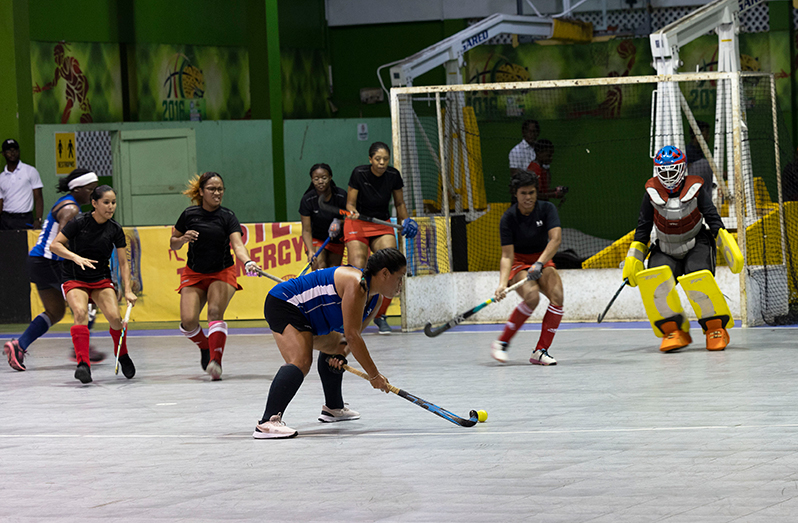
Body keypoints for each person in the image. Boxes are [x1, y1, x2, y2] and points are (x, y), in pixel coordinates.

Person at [253, 248, 405, 439]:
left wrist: (340, 355)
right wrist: (374, 376)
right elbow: (353, 337)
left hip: (307, 317)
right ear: (384, 273)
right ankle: (267, 422)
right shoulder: (355, 283)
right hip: (285, 303)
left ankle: (333, 408)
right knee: (300, 360)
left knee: (336, 346)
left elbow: (349, 336)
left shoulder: (375, 300)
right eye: (399, 277)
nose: (401, 284)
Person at [622, 145, 740, 352]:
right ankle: (673, 330)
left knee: (699, 279)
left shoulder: (696, 188)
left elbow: (712, 217)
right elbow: (643, 228)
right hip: (666, 247)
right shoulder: (650, 193)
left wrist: (726, 244)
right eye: (663, 172)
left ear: (682, 169)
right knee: (655, 284)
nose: (668, 176)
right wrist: (634, 259)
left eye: (672, 171)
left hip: (697, 242)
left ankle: (715, 328)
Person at [3, 169, 101, 371]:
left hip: (38, 261)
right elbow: (61, 243)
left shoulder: (66, 203)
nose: (94, 194)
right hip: (51, 262)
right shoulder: (70, 210)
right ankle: (81, 348)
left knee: (55, 311)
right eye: (91, 189)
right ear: (78, 189)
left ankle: (18, 346)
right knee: (90, 299)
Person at [170, 172, 262, 381]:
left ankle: (216, 362)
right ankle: (205, 346)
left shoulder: (228, 217)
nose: (217, 193)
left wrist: (247, 261)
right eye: (212, 189)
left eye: (220, 189)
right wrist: (183, 238)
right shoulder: (189, 214)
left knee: (214, 311)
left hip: (222, 271)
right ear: (201, 192)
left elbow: (238, 246)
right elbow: (173, 243)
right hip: (194, 273)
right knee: (188, 321)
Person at [49, 185, 137, 384]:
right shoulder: (78, 223)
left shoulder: (115, 229)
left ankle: (122, 355)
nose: (110, 206)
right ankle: (83, 365)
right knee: (80, 313)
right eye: (106, 202)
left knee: (115, 318)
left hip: (100, 279)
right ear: (94, 203)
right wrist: (75, 257)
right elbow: (55, 245)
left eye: (113, 202)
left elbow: (123, 262)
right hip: (74, 277)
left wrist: (128, 290)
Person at [490, 170, 564, 366]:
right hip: (519, 262)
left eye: (531, 193)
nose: (528, 198)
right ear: (516, 193)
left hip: (543, 258)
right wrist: (501, 284)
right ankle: (502, 342)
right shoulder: (508, 218)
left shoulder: (547, 209)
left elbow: (555, 240)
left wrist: (540, 263)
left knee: (557, 296)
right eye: (523, 193)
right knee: (532, 297)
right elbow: (507, 256)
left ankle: (540, 351)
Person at [345, 142, 417, 334]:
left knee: (392, 266)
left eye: (385, 159)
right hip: (358, 222)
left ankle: (380, 315)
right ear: (370, 159)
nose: (382, 162)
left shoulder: (393, 175)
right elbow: (350, 204)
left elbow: (400, 203)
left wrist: (406, 221)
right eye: (378, 159)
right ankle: (354, 315)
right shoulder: (359, 174)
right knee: (357, 269)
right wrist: (352, 212)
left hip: (381, 223)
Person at [299, 163, 347, 271]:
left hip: (336, 239)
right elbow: (306, 230)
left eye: (324, 178)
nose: (320, 181)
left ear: (330, 177)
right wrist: (310, 251)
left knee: (333, 272)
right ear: (312, 180)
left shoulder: (341, 195)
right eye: (316, 179)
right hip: (316, 238)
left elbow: (351, 218)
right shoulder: (307, 200)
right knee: (319, 267)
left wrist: (339, 222)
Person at [0, 139, 44, 230]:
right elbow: (1, 201)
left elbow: (38, 198)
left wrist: (38, 219)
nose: (12, 153)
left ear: (19, 152)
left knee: (24, 244)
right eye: (8, 150)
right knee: (6, 244)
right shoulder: (1, 177)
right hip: (5, 219)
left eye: (15, 150)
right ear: (3, 154)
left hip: (24, 218)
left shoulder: (30, 171)